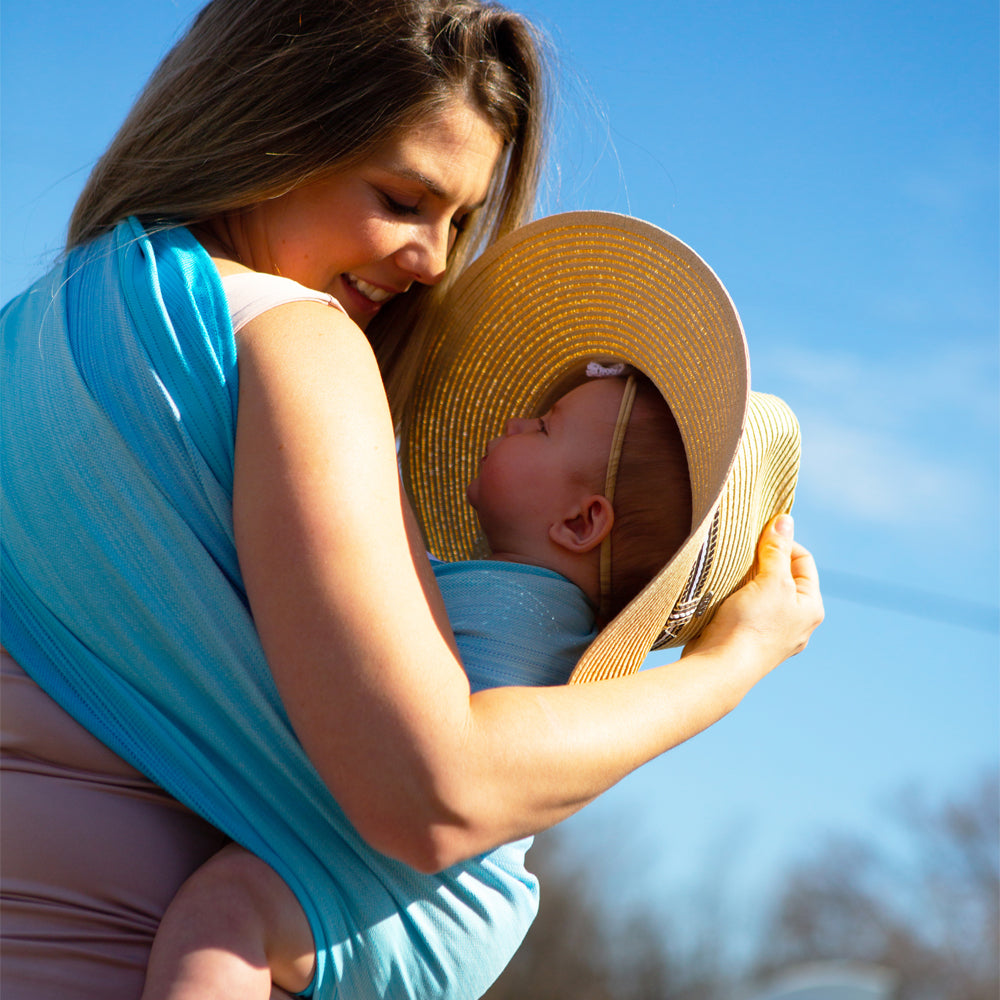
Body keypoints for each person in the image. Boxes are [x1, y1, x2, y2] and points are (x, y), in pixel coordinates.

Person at [1, 0, 823, 993]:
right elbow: (434, 794)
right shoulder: (295, 341)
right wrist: (730, 664)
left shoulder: (31, 334)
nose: (433, 259)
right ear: (268, 127)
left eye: (460, 219)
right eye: (400, 198)